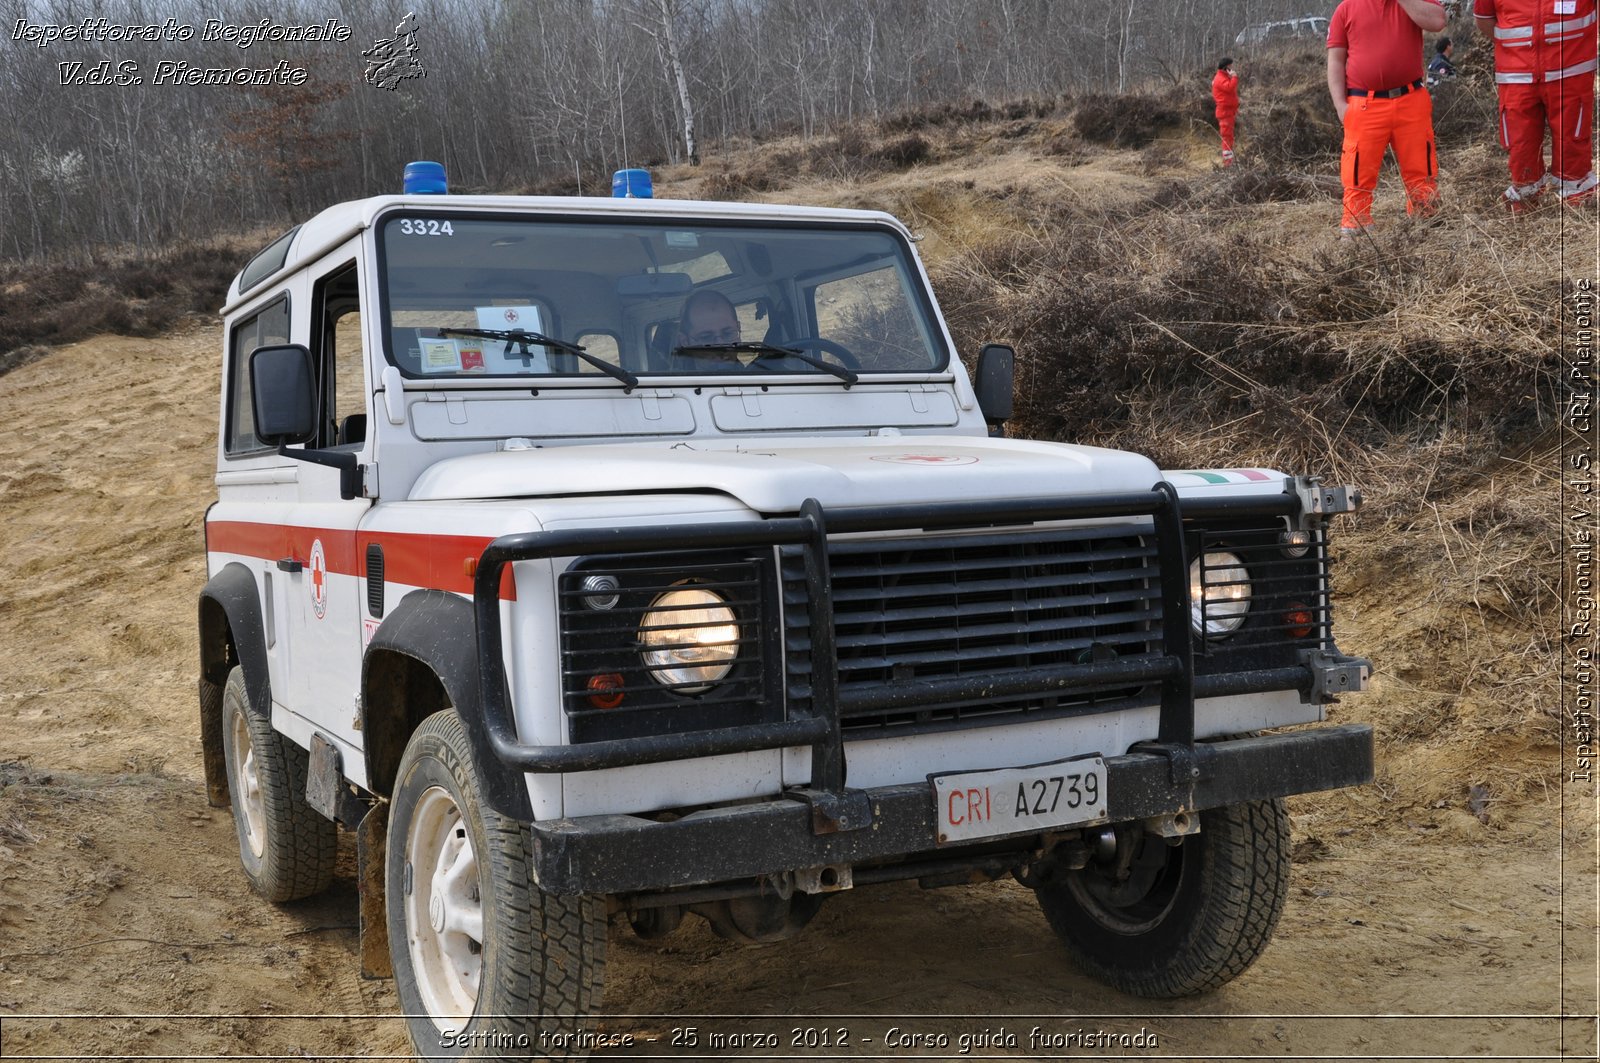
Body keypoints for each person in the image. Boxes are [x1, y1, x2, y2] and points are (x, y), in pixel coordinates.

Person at [1326, 0, 1448, 236]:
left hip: (1411, 100)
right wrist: (1341, 105)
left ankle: (1426, 225)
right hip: (1364, 105)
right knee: (1357, 174)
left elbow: (1438, 21)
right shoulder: (1346, 8)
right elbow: (1336, 60)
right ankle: (1355, 229)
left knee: (1421, 169)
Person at [1474, 0, 1597, 209]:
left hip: (1571, 70)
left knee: (1572, 141)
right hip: (1516, 75)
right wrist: (1519, 49)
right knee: (1521, 144)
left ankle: (1576, 200)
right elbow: (1484, 19)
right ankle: (1525, 198)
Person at [672, 289, 742, 366]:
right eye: (706, 337)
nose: (720, 347)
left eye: (728, 334)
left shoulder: (756, 375)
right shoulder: (666, 378)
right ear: (684, 341)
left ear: (738, 328)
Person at [1212, 57, 1241, 166]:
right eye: (1230, 67)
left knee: (1229, 137)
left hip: (1228, 112)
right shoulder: (1220, 78)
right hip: (1225, 113)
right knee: (1227, 138)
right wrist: (1234, 77)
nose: (1232, 69)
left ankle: (1230, 161)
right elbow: (1229, 88)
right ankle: (1228, 163)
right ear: (1226, 67)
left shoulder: (1222, 77)